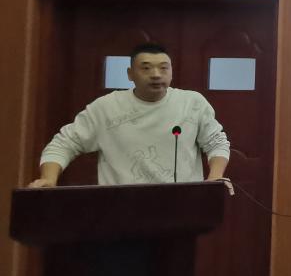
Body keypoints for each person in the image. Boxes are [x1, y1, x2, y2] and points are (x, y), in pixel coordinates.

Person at [28, 42, 233, 189]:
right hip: (120, 209)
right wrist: (49, 179)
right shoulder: (106, 107)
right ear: (130, 74)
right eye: (146, 68)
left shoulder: (192, 103)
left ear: (171, 72)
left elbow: (216, 142)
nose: (156, 74)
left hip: (181, 206)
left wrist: (215, 177)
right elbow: (64, 143)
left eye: (163, 68)